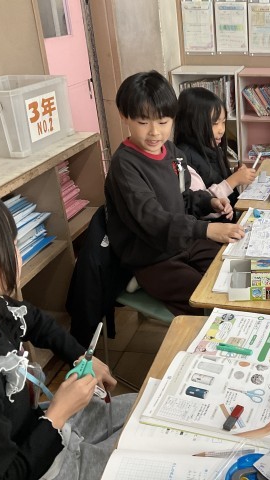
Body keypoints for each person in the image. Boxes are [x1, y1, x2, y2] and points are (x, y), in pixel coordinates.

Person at [0, 188, 135, 480]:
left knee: (140, 409)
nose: (18, 253)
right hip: (38, 460)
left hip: (40, 429)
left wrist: (79, 356)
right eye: (14, 243)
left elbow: (36, 321)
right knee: (140, 454)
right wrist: (57, 415)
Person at [105, 71, 245, 315]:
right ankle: (144, 281)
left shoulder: (172, 153)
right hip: (152, 258)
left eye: (163, 122)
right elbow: (152, 220)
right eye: (143, 122)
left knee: (238, 271)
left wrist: (210, 202)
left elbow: (184, 198)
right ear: (124, 116)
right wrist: (206, 230)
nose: (154, 132)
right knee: (208, 300)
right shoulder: (125, 165)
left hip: (184, 243)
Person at [174, 87, 256, 206]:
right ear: (193, 124)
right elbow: (199, 204)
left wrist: (234, 174)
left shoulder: (209, 147)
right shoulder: (184, 159)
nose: (221, 130)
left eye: (223, 122)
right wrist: (234, 180)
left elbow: (211, 177)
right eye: (214, 123)